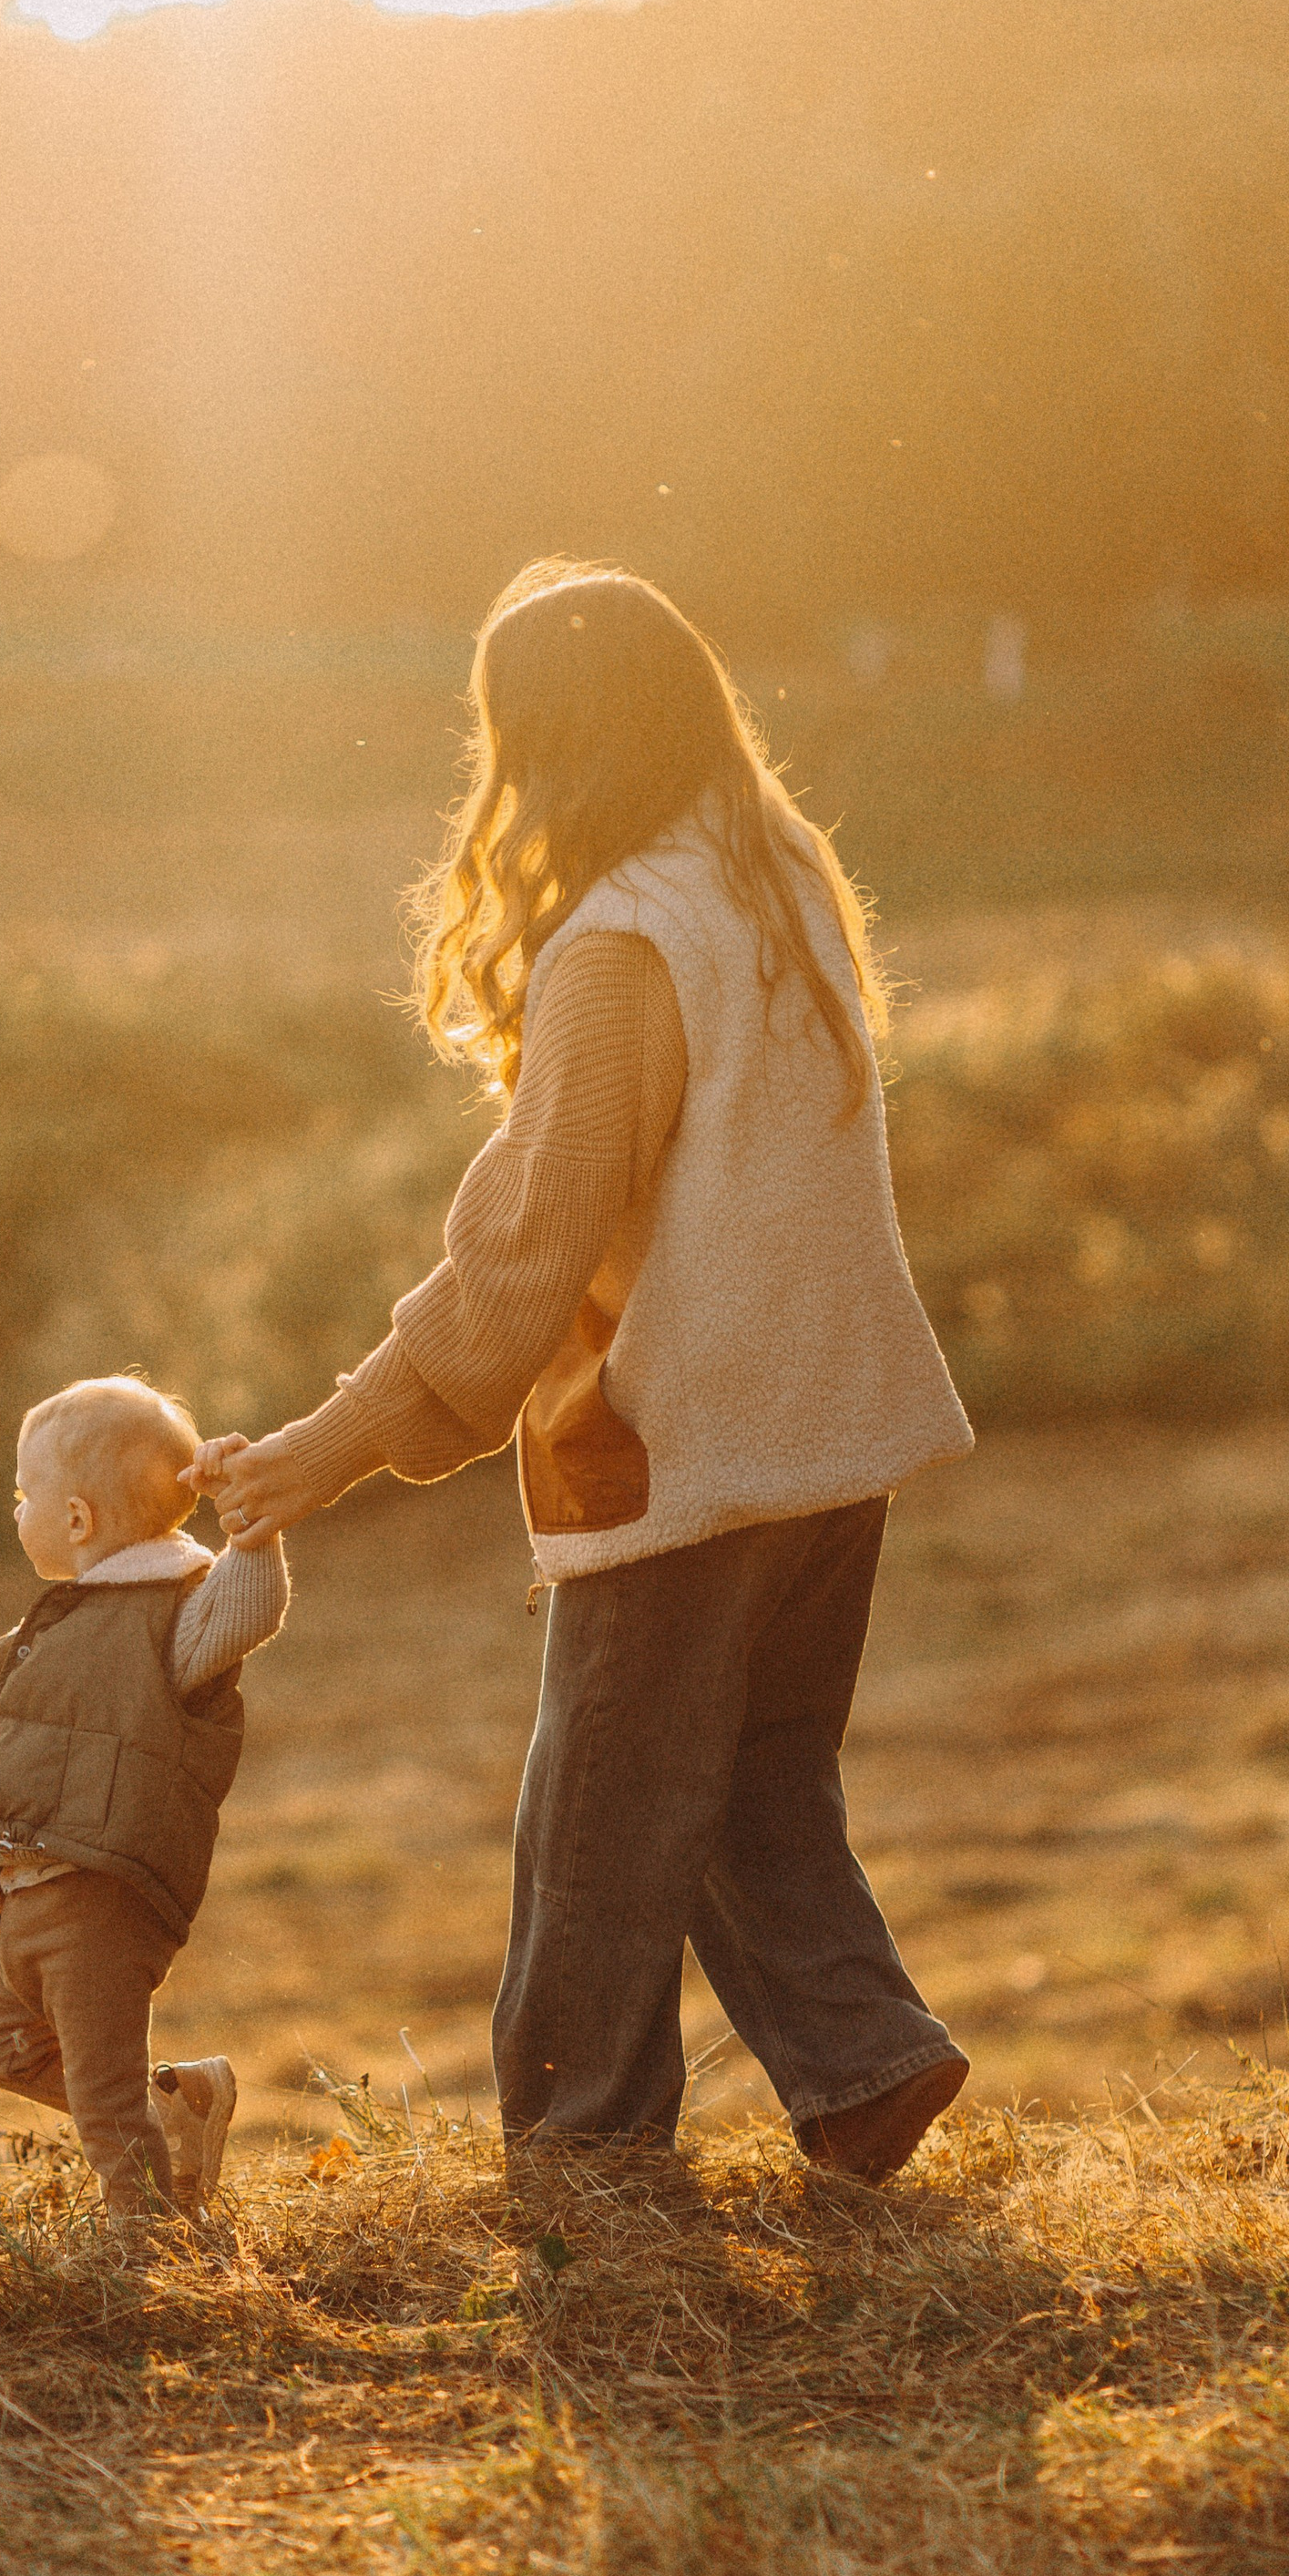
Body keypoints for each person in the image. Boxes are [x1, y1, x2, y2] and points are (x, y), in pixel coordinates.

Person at [194, 563, 974, 2194]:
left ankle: (582, 2175)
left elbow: (525, 1254)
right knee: (755, 1787)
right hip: (831, 1438)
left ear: (540, 741)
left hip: (686, 1452)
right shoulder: (778, 883)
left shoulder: (621, 943)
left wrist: (327, 1445)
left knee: (596, 1835)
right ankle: (864, 2069)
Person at [0, 1375, 287, 2218]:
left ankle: (151, 2248)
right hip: (34, 1895)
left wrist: (250, 1522)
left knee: (104, 2107)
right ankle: (180, 2103)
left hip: (98, 1895)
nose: (15, 1510)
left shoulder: (175, 1616)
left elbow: (250, 1609)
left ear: (76, 1521)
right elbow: (55, 1710)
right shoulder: (74, 1618)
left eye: (24, 1494)